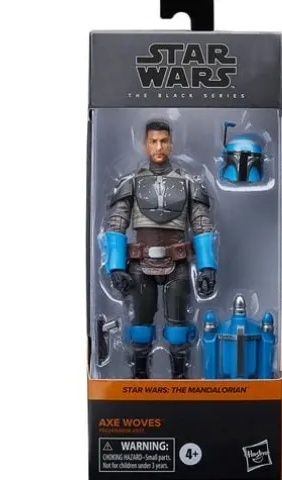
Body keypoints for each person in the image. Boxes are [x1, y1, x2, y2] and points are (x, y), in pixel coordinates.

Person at [100, 120, 217, 379]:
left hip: (178, 265)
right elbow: (116, 224)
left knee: (179, 331)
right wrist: (116, 267)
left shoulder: (189, 183)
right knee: (140, 329)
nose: (159, 146)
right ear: (145, 145)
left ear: (171, 144)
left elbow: (201, 224)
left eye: (163, 141)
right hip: (140, 266)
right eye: (153, 141)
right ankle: (139, 379)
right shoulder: (131, 183)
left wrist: (207, 266)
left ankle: (180, 380)